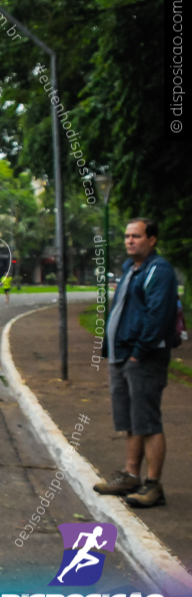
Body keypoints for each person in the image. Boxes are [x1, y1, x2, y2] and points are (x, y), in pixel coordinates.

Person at [95, 217, 178, 508]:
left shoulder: (160, 271)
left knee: (148, 422)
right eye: (128, 236)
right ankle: (131, 475)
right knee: (130, 421)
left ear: (152, 240)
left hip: (143, 357)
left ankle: (153, 485)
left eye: (137, 236)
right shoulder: (130, 269)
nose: (130, 240)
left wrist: (138, 352)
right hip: (122, 354)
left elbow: (158, 315)